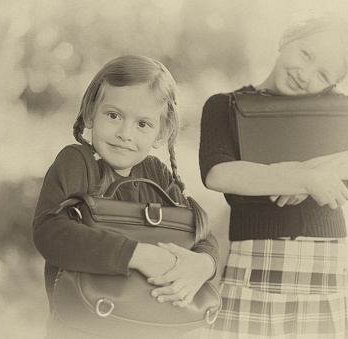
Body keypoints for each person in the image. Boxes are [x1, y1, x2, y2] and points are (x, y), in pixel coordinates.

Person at [199, 13, 348, 338]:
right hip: (253, 269)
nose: (305, 75)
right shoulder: (224, 106)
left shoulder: (337, 113)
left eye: (323, 74)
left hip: (324, 272)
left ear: (332, 84)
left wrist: (320, 171)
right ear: (287, 39)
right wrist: (303, 179)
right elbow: (219, 174)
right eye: (306, 54)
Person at [32, 55, 219, 338]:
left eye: (142, 124)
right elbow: (50, 232)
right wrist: (136, 255)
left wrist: (203, 265)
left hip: (150, 328)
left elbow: (201, 233)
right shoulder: (77, 162)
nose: (124, 134)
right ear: (90, 112)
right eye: (114, 115)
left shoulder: (156, 174)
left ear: (162, 132)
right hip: (82, 328)